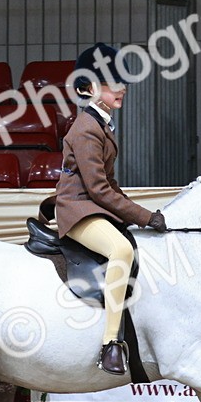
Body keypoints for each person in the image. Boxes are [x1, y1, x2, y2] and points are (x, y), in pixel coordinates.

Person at [53, 43, 167, 376]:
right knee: (120, 249)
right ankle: (111, 344)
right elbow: (99, 190)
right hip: (79, 211)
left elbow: (110, 186)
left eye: (121, 81)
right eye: (109, 82)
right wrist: (144, 217)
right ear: (87, 88)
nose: (120, 88)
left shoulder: (102, 124)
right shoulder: (87, 128)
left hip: (94, 207)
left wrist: (139, 215)